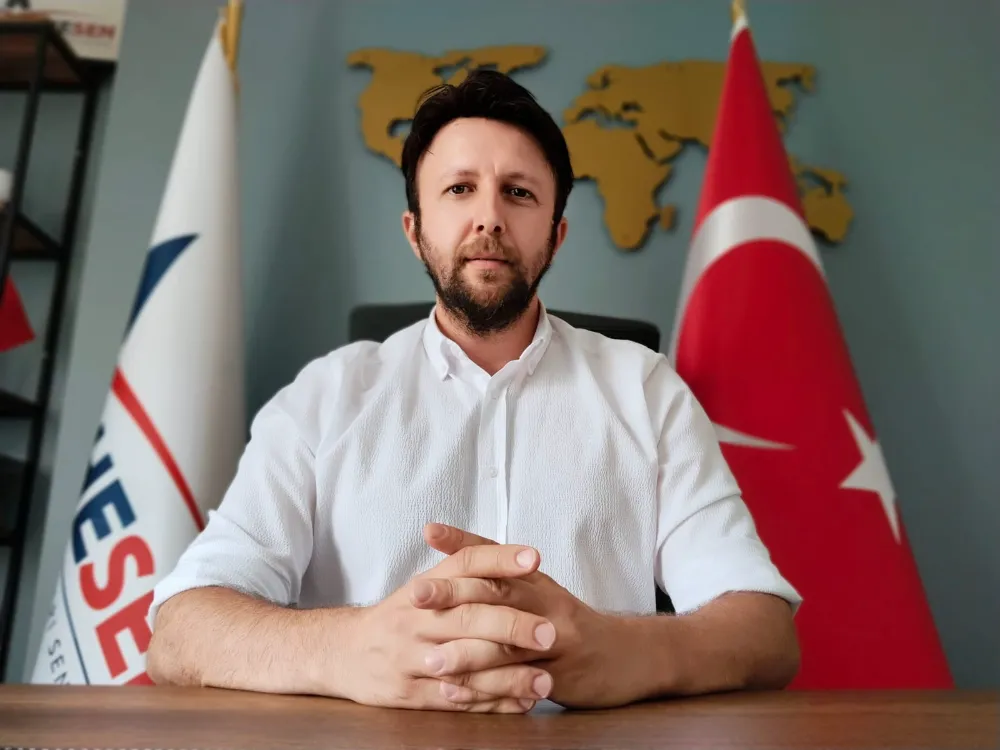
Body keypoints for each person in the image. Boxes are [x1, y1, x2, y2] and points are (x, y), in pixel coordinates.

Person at [146, 69, 802, 713]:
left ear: (556, 235)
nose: (489, 217)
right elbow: (178, 634)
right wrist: (349, 649)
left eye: (518, 193)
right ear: (415, 231)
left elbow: (766, 632)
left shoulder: (647, 390)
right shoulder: (323, 398)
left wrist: (620, 650)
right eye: (460, 188)